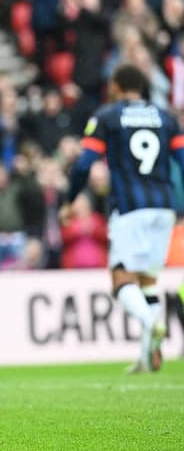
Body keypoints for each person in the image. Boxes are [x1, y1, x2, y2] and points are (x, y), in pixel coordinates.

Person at [60, 63, 184, 374]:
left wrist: (70, 200)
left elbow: (84, 164)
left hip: (130, 207)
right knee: (147, 281)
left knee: (120, 279)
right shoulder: (167, 117)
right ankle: (146, 357)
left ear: (116, 86)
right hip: (165, 206)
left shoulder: (108, 116)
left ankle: (150, 323)